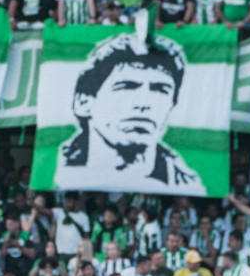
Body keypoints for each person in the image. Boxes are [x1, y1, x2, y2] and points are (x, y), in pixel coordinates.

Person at [57, 34, 204, 195]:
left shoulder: (189, 185)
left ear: (172, 105)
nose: (143, 104)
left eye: (160, 89)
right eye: (127, 87)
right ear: (84, 103)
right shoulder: (56, 172)